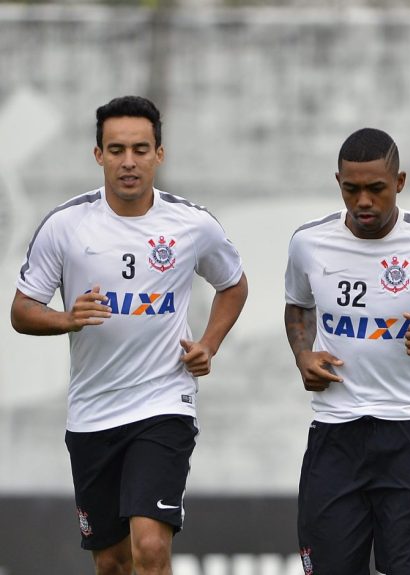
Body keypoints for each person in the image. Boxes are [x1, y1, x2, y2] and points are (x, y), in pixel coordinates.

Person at [10, 95, 248, 575]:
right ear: (98, 155)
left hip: (163, 404)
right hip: (92, 412)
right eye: (116, 150)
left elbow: (233, 285)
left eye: (141, 149)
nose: (129, 162)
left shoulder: (192, 225)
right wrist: (67, 319)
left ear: (160, 153)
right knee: (113, 562)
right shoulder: (65, 226)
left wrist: (208, 344)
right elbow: (22, 310)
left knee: (150, 546)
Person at [284, 127, 410, 574]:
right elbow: (298, 307)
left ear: (400, 182)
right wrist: (303, 356)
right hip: (336, 432)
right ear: (338, 183)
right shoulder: (309, 243)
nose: (364, 202)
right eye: (352, 190)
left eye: (376, 189)